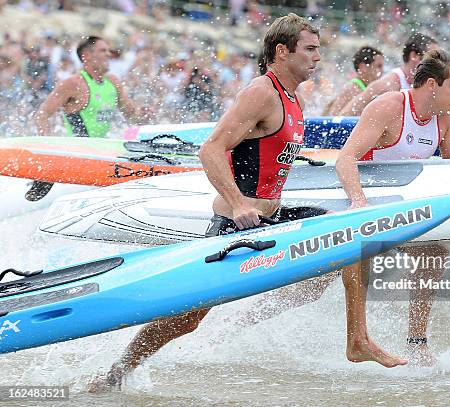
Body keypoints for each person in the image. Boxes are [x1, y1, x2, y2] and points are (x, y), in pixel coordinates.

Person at [88, 13, 324, 391]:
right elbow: (211, 150)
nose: (317, 57)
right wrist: (239, 204)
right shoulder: (262, 92)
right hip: (238, 224)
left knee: (327, 263)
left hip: (271, 221)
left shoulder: (294, 99)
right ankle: (115, 373)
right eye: (310, 49)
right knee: (187, 317)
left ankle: (233, 329)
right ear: (282, 51)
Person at [336, 49, 450, 367]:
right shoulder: (390, 106)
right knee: (308, 290)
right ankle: (235, 326)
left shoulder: (446, 116)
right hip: (362, 206)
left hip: (401, 212)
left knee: (434, 254)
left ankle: (417, 342)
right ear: (433, 84)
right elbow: (345, 158)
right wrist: (358, 203)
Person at [35, 36, 152, 138]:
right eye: (103, 51)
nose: (109, 54)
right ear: (86, 56)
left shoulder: (113, 81)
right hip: (78, 152)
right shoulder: (73, 83)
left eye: (108, 50)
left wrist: (143, 113)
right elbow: (42, 114)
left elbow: (131, 114)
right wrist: (46, 143)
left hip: (101, 150)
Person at [340, 33, 439, 116]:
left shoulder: (430, 85)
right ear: (414, 56)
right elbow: (343, 117)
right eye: (433, 57)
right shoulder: (388, 84)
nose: (438, 63)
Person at [323, 46, 384, 115]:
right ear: (363, 67)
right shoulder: (352, 90)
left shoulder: (363, 89)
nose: (382, 70)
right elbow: (333, 118)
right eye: (379, 66)